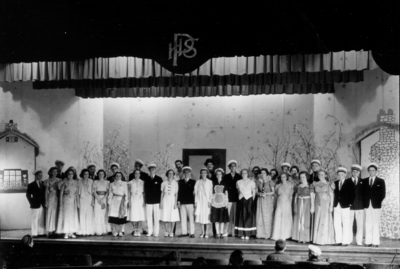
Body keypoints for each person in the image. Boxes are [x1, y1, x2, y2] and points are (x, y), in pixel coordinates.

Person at [362, 163, 386, 247]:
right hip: (367, 205)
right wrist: (365, 202)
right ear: (368, 171)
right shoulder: (364, 181)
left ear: (376, 171)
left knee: (375, 223)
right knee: (368, 223)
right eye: (370, 170)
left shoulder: (381, 181)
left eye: (373, 170)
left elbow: (383, 194)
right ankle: (368, 241)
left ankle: (375, 242)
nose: (371, 172)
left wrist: (377, 201)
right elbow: (362, 194)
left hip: (376, 205)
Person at [332, 167, 355, 246]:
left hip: (345, 205)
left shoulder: (350, 182)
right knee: (336, 223)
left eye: (342, 174)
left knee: (346, 222)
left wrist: (350, 203)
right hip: (336, 205)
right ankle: (338, 240)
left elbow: (353, 194)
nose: (340, 176)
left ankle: (345, 241)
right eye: (339, 174)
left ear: (345, 174)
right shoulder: (335, 183)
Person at [312, 170, 335, 245]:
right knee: (318, 219)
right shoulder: (315, 184)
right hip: (317, 203)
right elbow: (313, 195)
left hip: (326, 203)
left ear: (325, 175)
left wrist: (331, 206)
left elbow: (331, 195)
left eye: (322, 174)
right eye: (319, 174)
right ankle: (317, 239)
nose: (320, 176)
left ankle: (324, 240)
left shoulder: (329, 184)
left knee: (325, 220)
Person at [292, 171, 314, 243]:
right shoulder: (297, 186)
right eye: (300, 177)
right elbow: (295, 196)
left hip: (307, 203)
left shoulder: (310, 185)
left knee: (305, 219)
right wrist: (295, 205)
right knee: (298, 219)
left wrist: (312, 207)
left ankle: (304, 238)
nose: (302, 178)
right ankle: (298, 237)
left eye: (303, 177)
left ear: (306, 177)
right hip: (299, 202)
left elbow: (312, 196)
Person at [271, 172, 294, 240]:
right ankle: (277, 235)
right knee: (278, 217)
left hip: (287, 202)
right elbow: (275, 195)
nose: (282, 178)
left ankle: (285, 235)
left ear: (286, 177)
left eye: (284, 177)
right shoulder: (278, 185)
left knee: (286, 218)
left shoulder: (291, 185)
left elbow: (291, 196)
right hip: (279, 202)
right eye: (281, 177)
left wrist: (290, 203)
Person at [235, 169, 257, 240]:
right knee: (241, 215)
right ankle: (242, 233)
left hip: (249, 200)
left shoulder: (252, 182)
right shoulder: (238, 182)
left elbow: (253, 193)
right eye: (242, 173)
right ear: (241, 174)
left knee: (248, 216)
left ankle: (247, 234)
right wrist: (240, 197)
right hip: (241, 200)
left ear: (247, 174)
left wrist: (251, 201)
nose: (244, 174)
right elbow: (238, 191)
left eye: (245, 173)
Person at [129, 159, 148, 235]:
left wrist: (145, 200)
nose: (137, 167)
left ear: (141, 167)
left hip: (141, 197)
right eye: (135, 166)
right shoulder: (131, 175)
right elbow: (130, 187)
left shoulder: (145, 175)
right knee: (134, 213)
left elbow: (145, 189)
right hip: (134, 197)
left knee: (141, 213)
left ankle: (143, 228)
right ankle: (134, 229)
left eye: (138, 166)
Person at [58, 168, 79, 238]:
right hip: (66, 201)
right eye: (69, 174)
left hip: (73, 201)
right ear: (67, 174)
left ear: (73, 174)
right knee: (66, 216)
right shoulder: (64, 182)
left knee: (72, 216)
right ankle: (66, 232)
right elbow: (61, 193)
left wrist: (77, 202)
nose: (70, 175)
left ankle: (71, 232)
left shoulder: (76, 182)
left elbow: (77, 193)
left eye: (72, 174)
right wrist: (61, 203)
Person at [223, 160, 242, 237]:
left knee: (235, 215)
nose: (233, 167)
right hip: (229, 198)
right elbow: (225, 188)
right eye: (231, 166)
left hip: (236, 198)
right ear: (229, 167)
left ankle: (234, 232)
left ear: (236, 167)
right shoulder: (226, 176)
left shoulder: (239, 176)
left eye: (234, 166)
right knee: (227, 215)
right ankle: (226, 231)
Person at [256, 168, 275, 239]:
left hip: (268, 200)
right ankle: (260, 234)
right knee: (260, 215)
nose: (262, 174)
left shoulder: (270, 181)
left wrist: (266, 194)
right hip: (260, 200)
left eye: (264, 173)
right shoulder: (258, 181)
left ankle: (267, 234)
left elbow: (273, 192)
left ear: (267, 174)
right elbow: (256, 191)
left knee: (267, 217)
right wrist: (260, 194)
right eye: (261, 173)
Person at [144, 163, 163, 237]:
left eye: (153, 169)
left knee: (156, 217)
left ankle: (156, 232)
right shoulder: (146, 179)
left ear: (155, 170)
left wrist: (160, 201)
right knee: (149, 217)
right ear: (149, 170)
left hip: (157, 201)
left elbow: (161, 191)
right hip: (149, 201)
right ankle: (150, 231)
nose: (152, 171)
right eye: (150, 169)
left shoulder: (159, 179)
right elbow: (145, 191)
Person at [26, 170, 46, 237]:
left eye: (41, 175)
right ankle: (34, 233)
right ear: (36, 176)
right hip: (35, 204)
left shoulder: (44, 183)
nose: (40, 176)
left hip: (42, 204)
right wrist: (31, 202)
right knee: (34, 219)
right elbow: (28, 195)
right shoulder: (31, 185)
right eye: (39, 175)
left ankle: (41, 233)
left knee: (41, 218)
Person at [160, 169, 180, 237]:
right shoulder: (163, 183)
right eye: (169, 173)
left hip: (172, 200)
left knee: (173, 216)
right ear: (167, 174)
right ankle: (166, 231)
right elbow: (162, 193)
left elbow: (176, 194)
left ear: (174, 175)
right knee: (165, 215)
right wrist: (161, 202)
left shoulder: (176, 183)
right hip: (165, 200)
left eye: (172, 173)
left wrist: (175, 203)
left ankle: (171, 231)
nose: (170, 175)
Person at [210, 168, 229, 239]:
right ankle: (217, 233)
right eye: (217, 174)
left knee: (222, 219)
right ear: (216, 175)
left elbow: (226, 193)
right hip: (215, 202)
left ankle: (221, 232)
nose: (218, 175)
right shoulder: (213, 182)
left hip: (222, 202)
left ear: (222, 174)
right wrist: (211, 201)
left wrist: (226, 202)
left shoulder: (225, 182)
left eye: (220, 174)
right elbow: (212, 193)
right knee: (216, 219)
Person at [194, 168, 213, 238]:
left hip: (207, 201)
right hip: (200, 201)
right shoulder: (198, 182)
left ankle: (207, 232)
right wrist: (196, 202)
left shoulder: (210, 182)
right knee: (201, 216)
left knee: (207, 216)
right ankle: (202, 232)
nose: (203, 174)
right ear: (201, 174)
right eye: (202, 173)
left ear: (207, 174)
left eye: (205, 173)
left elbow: (211, 193)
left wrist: (210, 201)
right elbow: (196, 193)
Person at [178, 166, 196, 238]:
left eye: (188, 172)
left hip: (190, 202)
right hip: (182, 202)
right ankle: (184, 232)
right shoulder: (180, 182)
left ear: (190, 173)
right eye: (185, 172)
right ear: (183, 173)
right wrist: (178, 201)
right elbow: (179, 192)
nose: (186, 174)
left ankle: (192, 233)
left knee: (191, 218)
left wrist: (195, 202)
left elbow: (195, 193)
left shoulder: (193, 182)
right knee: (183, 218)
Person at [108, 172, 128, 237]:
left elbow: (126, 193)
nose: (118, 177)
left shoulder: (124, 184)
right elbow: (110, 193)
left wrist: (126, 202)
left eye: (119, 176)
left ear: (121, 176)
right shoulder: (112, 184)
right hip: (114, 200)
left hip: (121, 200)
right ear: (115, 177)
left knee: (121, 216)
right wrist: (109, 202)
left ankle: (120, 231)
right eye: (117, 176)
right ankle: (114, 230)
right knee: (114, 216)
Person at [127, 169, 146, 236]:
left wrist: (144, 201)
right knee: (133, 214)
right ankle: (134, 229)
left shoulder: (142, 182)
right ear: (134, 174)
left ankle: (138, 229)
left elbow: (143, 193)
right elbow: (129, 192)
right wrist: (129, 201)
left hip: (140, 199)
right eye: (136, 173)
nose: (137, 175)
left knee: (139, 214)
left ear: (140, 174)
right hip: (133, 199)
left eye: (138, 173)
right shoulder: (130, 182)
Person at [349, 164, 364, 246]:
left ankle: (359, 241)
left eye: (357, 172)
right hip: (350, 206)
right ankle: (349, 239)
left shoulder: (363, 182)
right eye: (353, 171)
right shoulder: (347, 181)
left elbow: (365, 194)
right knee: (349, 223)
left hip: (360, 206)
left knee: (359, 224)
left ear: (359, 173)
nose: (355, 173)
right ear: (351, 172)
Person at [44, 167, 61, 238]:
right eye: (53, 172)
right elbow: (45, 192)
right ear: (50, 172)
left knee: (56, 214)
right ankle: (50, 231)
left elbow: (60, 190)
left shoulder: (59, 180)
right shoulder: (47, 181)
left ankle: (55, 230)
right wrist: (46, 201)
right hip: (50, 198)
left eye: (56, 172)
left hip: (56, 198)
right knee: (50, 214)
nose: (55, 173)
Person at [92, 169, 110, 236]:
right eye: (99, 174)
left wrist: (103, 199)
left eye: (102, 174)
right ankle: (97, 230)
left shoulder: (107, 182)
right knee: (97, 213)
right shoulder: (95, 182)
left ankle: (103, 230)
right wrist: (98, 199)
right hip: (97, 199)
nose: (101, 175)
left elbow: (108, 192)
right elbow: (94, 191)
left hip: (104, 199)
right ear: (98, 175)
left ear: (104, 175)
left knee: (103, 214)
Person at [77, 169, 94, 236]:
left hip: (89, 198)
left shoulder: (91, 181)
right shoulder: (79, 181)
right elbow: (78, 193)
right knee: (82, 214)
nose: (86, 175)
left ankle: (88, 231)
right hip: (82, 199)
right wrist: (78, 202)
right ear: (82, 174)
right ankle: (82, 231)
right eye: (84, 174)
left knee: (89, 215)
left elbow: (93, 193)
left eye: (87, 174)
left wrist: (93, 201)